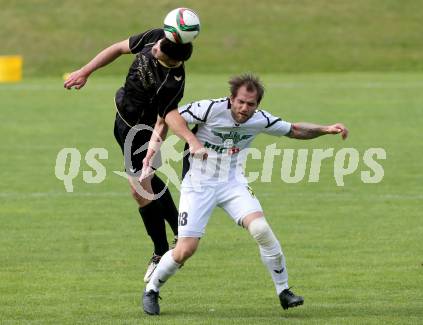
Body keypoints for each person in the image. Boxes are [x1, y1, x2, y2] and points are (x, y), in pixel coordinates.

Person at [141, 74, 349, 315]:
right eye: (240, 101)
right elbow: (169, 115)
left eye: (250, 104)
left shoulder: (259, 119)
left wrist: (326, 129)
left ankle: (284, 290)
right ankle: (152, 289)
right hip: (198, 184)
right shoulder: (210, 108)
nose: (244, 108)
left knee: (260, 228)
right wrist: (191, 141)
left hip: (233, 183)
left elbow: (294, 130)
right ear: (231, 99)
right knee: (186, 249)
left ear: (257, 105)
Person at [63, 18, 205, 283]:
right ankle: (179, 229)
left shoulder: (171, 81)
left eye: (159, 50)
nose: (153, 48)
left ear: (171, 60)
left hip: (140, 133)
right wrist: (85, 71)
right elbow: (117, 48)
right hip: (121, 119)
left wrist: (157, 149)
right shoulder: (157, 36)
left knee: (140, 190)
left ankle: (161, 251)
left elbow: (165, 120)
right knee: (146, 181)